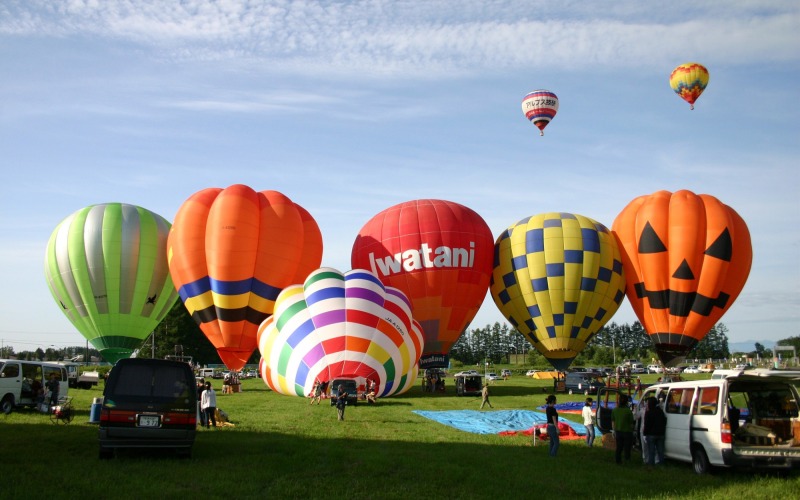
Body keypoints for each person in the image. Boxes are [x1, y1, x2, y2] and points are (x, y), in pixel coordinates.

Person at [642, 396, 667, 466]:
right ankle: (661, 464)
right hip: (660, 434)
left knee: (651, 451)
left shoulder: (648, 413)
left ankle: (651, 464)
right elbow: (664, 421)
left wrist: (644, 434)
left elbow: (646, 424)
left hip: (651, 434)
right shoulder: (660, 412)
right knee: (660, 451)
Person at [611, 393, 634, 464]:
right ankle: (627, 459)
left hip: (618, 431)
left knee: (619, 447)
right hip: (627, 432)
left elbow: (613, 422)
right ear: (627, 402)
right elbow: (631, 423)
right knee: (627, 448)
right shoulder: (628, 411)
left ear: (619, 401)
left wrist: (613, 431)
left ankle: (618, 460)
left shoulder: (614, 410)